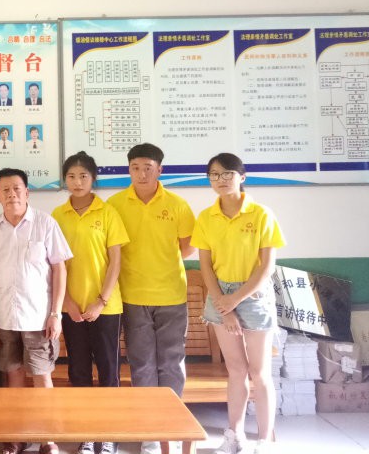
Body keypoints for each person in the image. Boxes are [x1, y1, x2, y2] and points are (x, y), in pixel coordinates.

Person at [192, 153, 286, 454]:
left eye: (227, 173)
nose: (220, 180)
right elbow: (205, 266)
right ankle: (234, 436)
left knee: (260, 372)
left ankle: (264, 440)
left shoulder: (261, 214)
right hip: (220, 295)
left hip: (253, 294)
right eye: (214, 174)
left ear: (241, 177)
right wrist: (225, 305)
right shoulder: (206, 217)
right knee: (236, 370)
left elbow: (267, 266)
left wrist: (236, 299)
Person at [107, 143, 195, 454]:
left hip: (171, 295)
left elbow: (187, 248)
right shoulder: (115, 204)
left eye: (148, 168)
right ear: (128, 170)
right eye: (135, 168)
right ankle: (150, 434)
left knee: (171, 363)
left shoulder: (178, 205)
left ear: (160, 170)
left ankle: (171, 428)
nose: (142, 174)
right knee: (142, 364)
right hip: (132, 296)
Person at [0, 168, 71, 454]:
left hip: (38, 318)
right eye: (5, 190)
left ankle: (48, 438)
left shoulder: (45, 223)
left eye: (17, 188)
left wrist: (56, 313)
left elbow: (59, 269)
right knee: (14, 375)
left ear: (27, 192)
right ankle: (17, 434)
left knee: (42, 376)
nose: (12, 194)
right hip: (5, 318)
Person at [51, 152, 128, 454]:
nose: (77, 181)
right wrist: (67, 302)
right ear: (65, 180)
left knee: (109, 371)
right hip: (71, 309)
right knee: (79, 371)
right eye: (71, 176)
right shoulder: (57, 215)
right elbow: (54, 264)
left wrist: (101, 301)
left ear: (93, 178)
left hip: (106, 308)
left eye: (83, 175)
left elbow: (115, 261)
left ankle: (107, 434)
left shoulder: (108, 213)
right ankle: (85, 432)